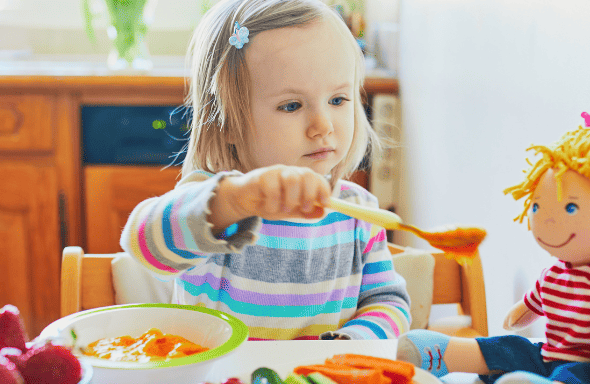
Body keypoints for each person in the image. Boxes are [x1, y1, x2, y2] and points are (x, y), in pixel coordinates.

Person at [120, 0, 410, 341]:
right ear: (227, 123)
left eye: (338, 100)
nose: (322, 125)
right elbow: (142, 243)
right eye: (291, 105)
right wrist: (237, 200)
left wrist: (351, 343)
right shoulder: (215, 207)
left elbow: (388, 302)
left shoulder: (359, 214)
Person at [397, 104, 590, 384]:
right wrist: (521, 311)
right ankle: (446, 354)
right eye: (538, 207)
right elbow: (537, 300)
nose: (546, 220)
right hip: (549, 355)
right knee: (512, 347)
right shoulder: (555, 273)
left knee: (573, 375)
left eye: (570, 209)